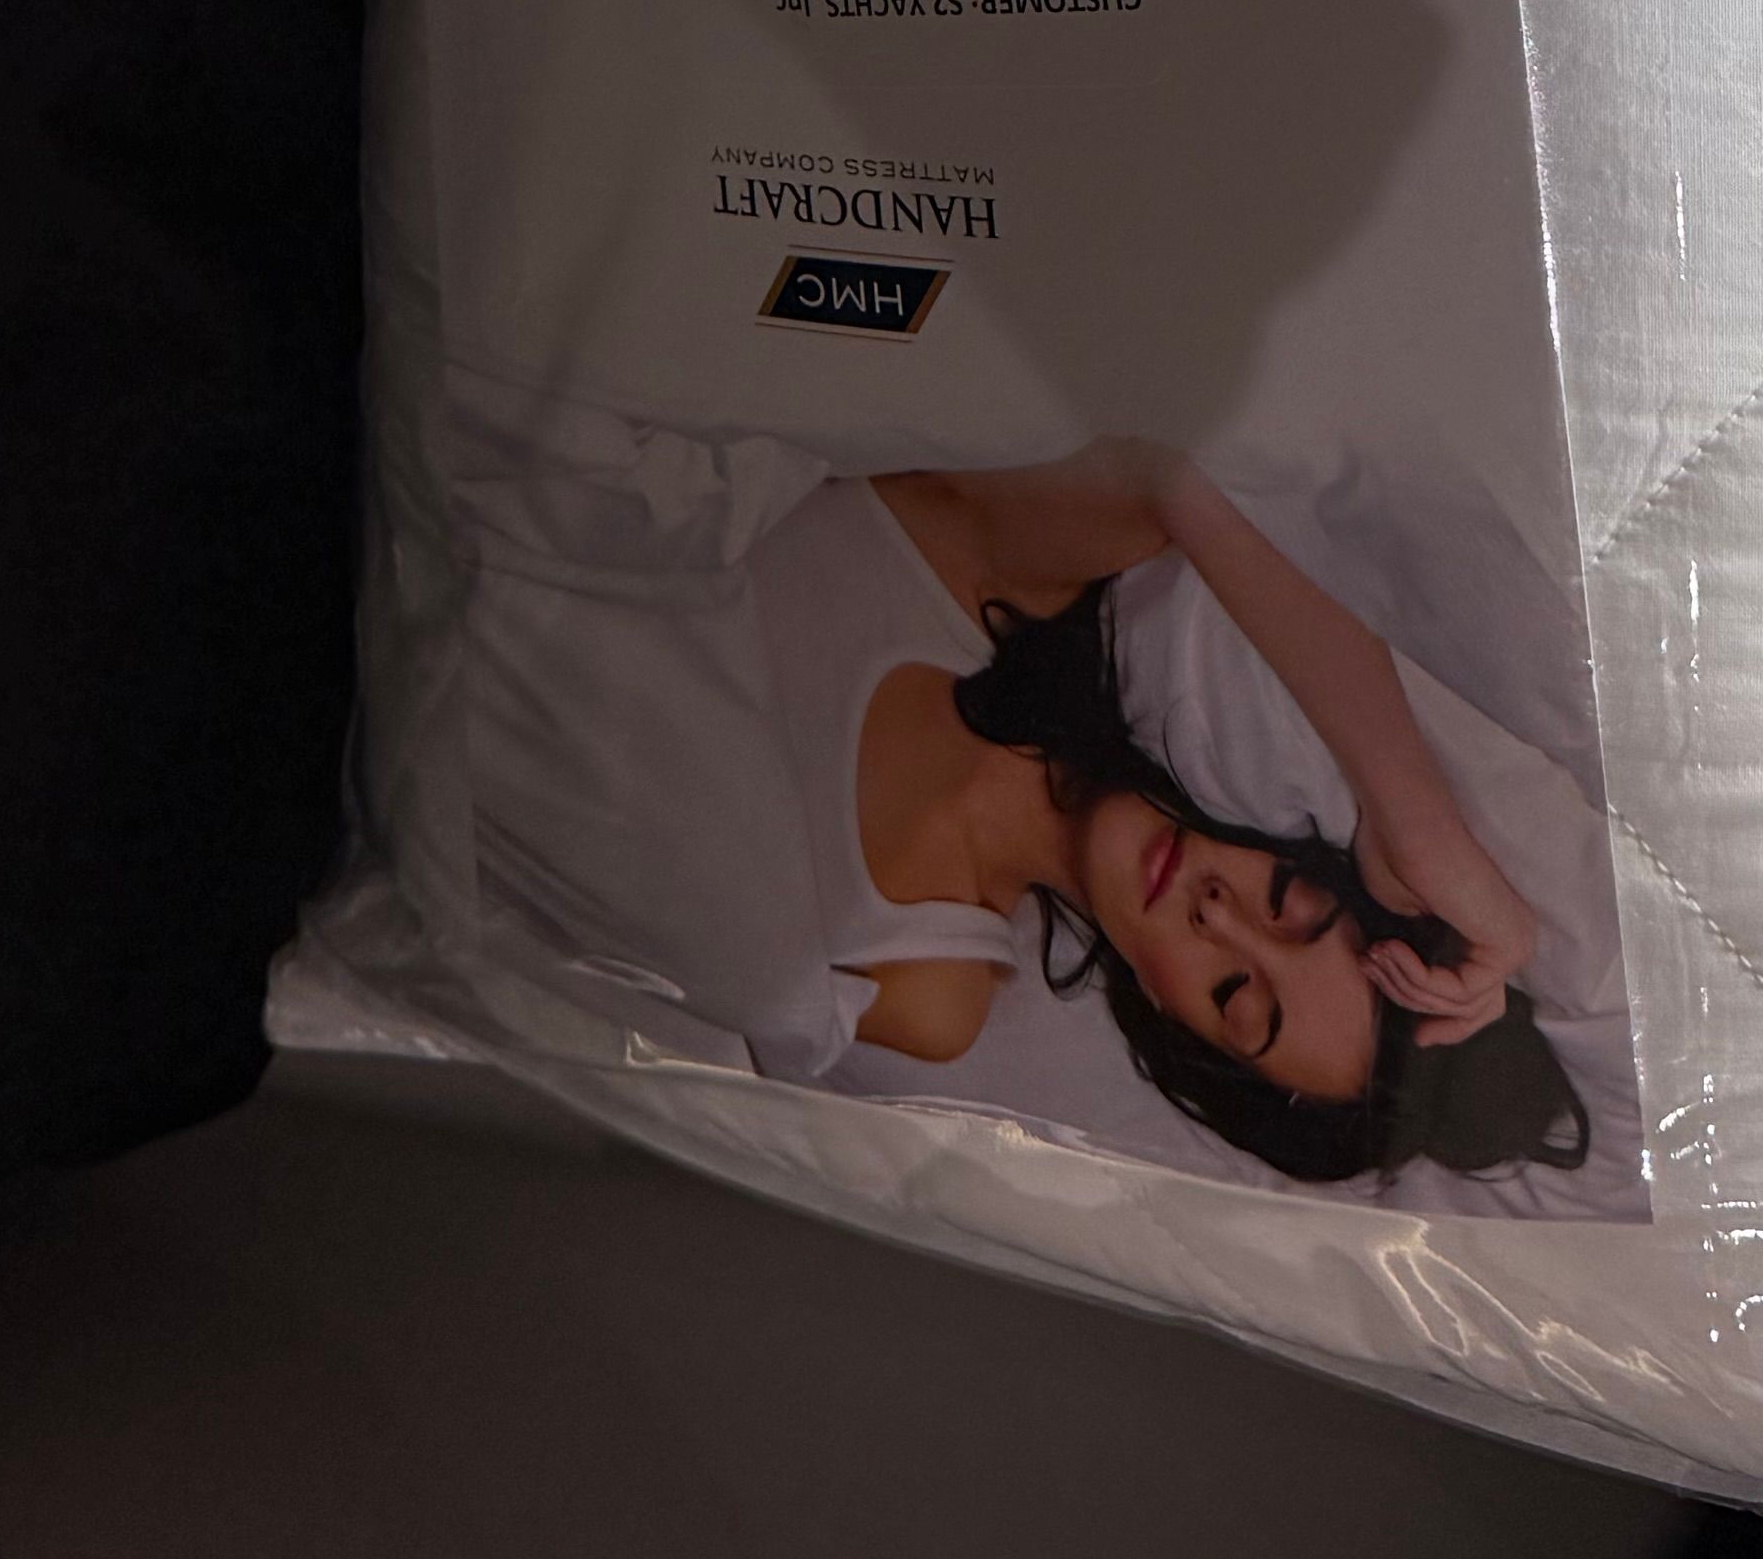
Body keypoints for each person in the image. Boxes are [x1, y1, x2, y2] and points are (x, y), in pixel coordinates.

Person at [458, 433, 1593, 1191]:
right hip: (518, 463)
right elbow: (1196, 466)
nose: (1217, 916)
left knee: (764, 978)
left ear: (1166, 1014)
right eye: (1286, 900)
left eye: (1234, 994)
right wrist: (1414, 821)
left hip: (452, 668)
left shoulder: (922, 988)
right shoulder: (1018, 573)